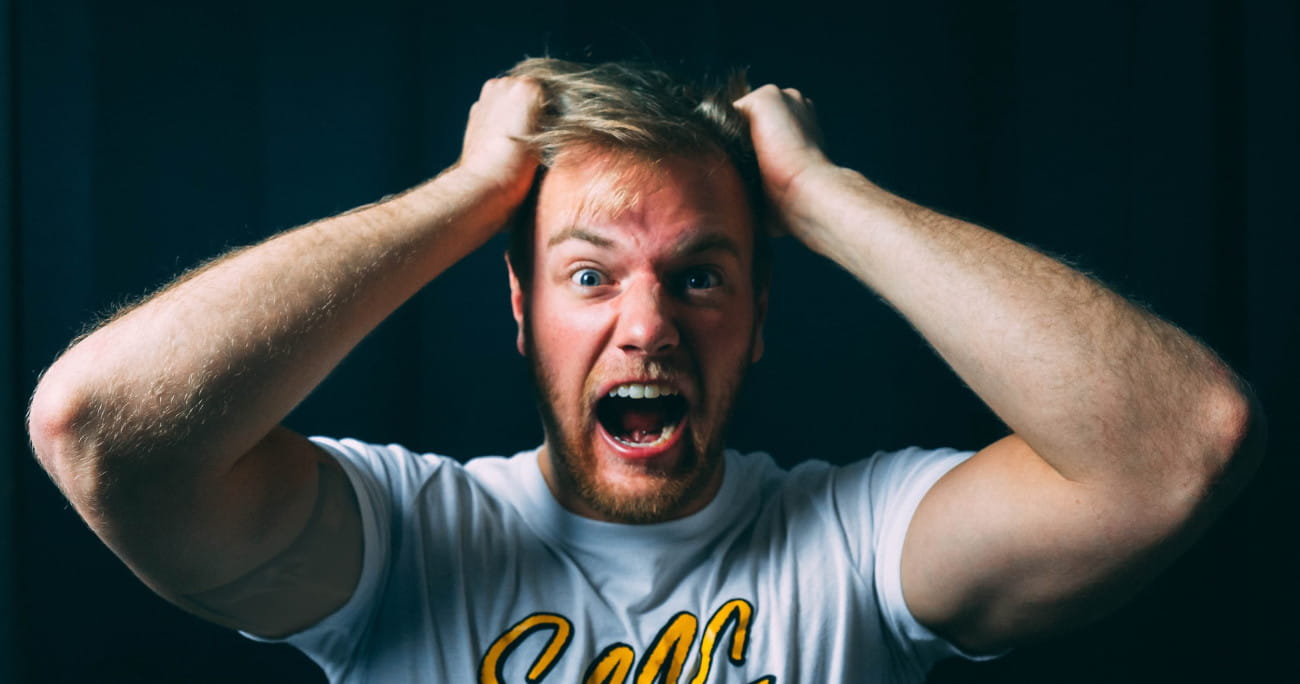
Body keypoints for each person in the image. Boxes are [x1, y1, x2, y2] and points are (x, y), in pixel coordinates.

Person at [26, 58, 1263, 682]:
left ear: (758, 318)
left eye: (701, 274)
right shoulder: (404, 543)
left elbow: (1178, 444)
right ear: (519, 311)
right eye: (589, 275)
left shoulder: (855, 544)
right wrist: (467, 197)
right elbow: (102, 428)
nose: (649, 324)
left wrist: (822, 197)